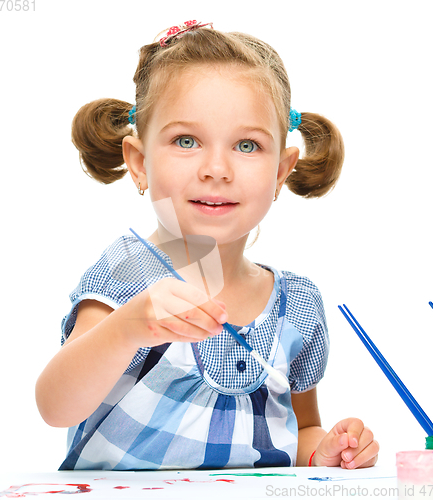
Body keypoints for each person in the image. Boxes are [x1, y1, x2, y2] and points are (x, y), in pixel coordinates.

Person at [35, 20, 379, 471]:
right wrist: (128, 329)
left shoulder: (297, 305)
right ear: (139, 163)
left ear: (281, 170)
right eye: (186, 140)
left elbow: (296, 429)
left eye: (247, 145)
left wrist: (325, 450)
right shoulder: (127, 274)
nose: (216, 168)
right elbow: (55, 406)